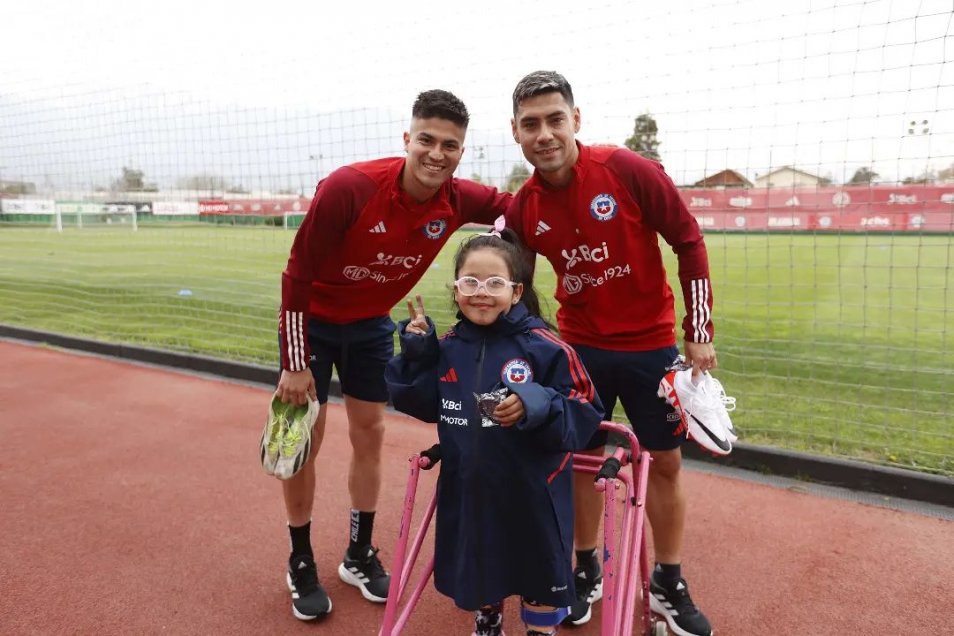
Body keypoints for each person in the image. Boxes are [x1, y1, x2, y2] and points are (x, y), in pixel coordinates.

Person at [272, 89, 511, 621]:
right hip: (311, 326)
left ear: (461, 151)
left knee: (369, 435)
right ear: (407, 139)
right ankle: (301, 558)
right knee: (305, 441)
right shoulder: (349, 187)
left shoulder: (459, 198)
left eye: (450, 145)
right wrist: (294, 361)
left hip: (372, 327)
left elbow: (521, 207)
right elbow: (297, 274)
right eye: (426, 139)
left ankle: (358, 552)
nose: (436, 154)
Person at [505, 71, 718, 636]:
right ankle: (584, 566)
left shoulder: (626, 170)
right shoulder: (524, 208)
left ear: (576, 119)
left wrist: (698, 327)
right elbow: (516, 287)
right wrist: (537, 344)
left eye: (555, 119)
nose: (545, 134)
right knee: (580, 461)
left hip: (651, 345)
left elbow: (688, 238)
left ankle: (669, 582)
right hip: (580, 352)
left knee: (666, 463)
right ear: (516, 132)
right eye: (531, 124)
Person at [384, 227, 604, 636]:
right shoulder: (448, 345)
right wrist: (417, 353)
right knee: (482, 565)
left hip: (533, 491)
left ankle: (540, 630)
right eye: (470, 282)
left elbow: (585, 409)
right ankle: (487, 625)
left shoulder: (546, 346)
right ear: (455, 290)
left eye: (494, 283)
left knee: (538, 574)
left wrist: (534, 403)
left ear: (516, 292)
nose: (481, 292)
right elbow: (417, 400)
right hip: (471, 489)